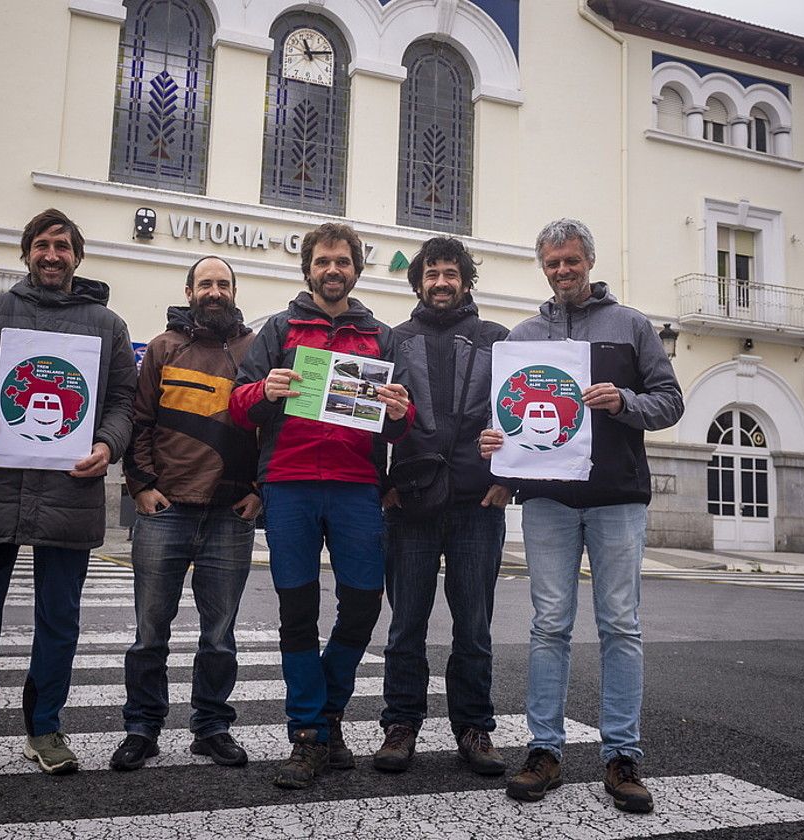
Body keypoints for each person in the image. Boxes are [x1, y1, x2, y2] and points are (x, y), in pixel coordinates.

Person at [0, 208, 137, 780]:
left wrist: (109, 445)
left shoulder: (107, 325)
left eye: (62, 246)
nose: (52, 255)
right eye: (42, 245)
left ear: (77, 256)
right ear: (27, 253)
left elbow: (123, 403)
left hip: (70, 490)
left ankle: (45, 728)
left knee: (59, 620)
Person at [480, 218, 682, 813]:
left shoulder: (632, 326)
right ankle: (544, 750)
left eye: (570, 261)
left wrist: (624, 402)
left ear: (588, 261)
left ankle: (623, 758)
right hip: (547, 502)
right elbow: (510, 416)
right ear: (542, 266)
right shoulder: (524, 335)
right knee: (549, 625)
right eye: (551, 263)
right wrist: (497, 444)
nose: (562, 271)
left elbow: (669, 402)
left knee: (621, 624)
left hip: (617, 497)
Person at [230, 222, 413, 790]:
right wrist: (264, 392)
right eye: (323, 261)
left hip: (358, 486)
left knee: (362, 604)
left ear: (356, 270)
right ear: (308, 268)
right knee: (297, 612)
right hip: (289, 485)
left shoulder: (383, 337)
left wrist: (400, 412)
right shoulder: (279, 330)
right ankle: (308, 734)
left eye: (343, 262)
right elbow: (238, 407)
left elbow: (401, 429)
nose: (333, 270)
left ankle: (328, 711)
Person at [110, 255, 261, 771]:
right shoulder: (162, 347)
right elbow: (139, 421)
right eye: (206, 284)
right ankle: (142, 728)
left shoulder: (255, 350)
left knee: (220, 635)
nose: (214, 291)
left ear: (235, 291)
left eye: (223, 284)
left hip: (229, 514)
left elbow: (272, 426)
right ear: (190, 290)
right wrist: (142, 487)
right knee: (150, 632)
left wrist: (260, 490)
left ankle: (212, 728)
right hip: (166, 509)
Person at [371, 237, 511, 776]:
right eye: (431, 274)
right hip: (410, 499)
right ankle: (400, 725)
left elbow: (518, 413)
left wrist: (508, 482)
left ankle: (474, 728)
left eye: (451, 273)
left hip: (479, 500)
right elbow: (372, 419)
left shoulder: (498, 340)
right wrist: (380, 482)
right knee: (406, 622)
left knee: (473, 625)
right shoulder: (393, 341)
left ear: (466, 281)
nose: (441, 282)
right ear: (418, 282)